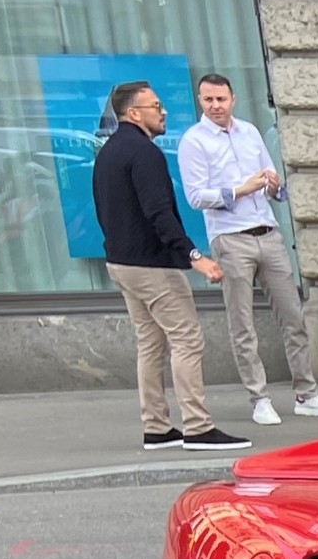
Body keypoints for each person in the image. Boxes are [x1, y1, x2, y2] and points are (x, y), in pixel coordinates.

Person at [177, 72, 318, 427]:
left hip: (268, 231)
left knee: (292, 315)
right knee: (243, 323)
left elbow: (271, 185)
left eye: (221, 99)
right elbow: (194, 196)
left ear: (233, 98)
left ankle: (306, 394)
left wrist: (273, 186)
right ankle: (259, 398)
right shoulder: (194, 140)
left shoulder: (249, 132)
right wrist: (239, 189)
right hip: (230, 236)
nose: (216, 106)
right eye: (208, 100)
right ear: (200, 102)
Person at [92, 82, 248, 452]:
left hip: (121, 262)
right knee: (187, 340)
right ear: (133, 113)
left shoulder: (109, 152)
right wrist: (194, 256)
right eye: (155, 106)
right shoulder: (144, 153)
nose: (163, 112)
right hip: (152, 266)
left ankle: (157, 427)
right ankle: (197, 426)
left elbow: (104, 210)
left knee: (150, 343)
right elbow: (159, 213)